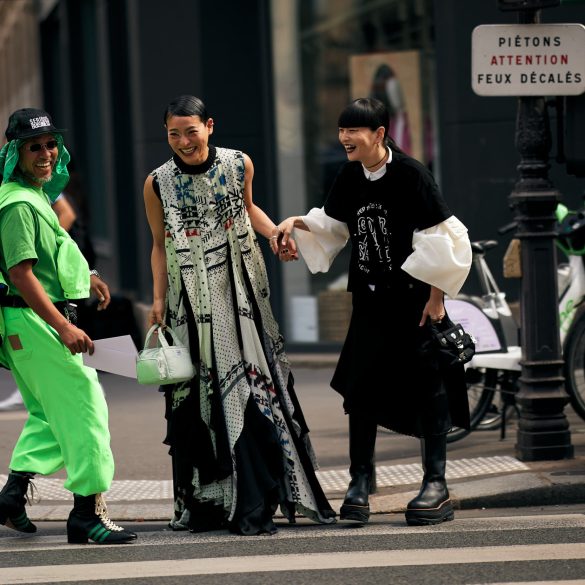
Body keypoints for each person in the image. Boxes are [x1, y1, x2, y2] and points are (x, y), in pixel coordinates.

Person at [143, 95, 335, 535]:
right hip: (190, 302)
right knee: (201, 398)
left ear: (209, 125)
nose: (184, 141)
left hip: (243, 293)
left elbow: (249, 210)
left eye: (191, 131)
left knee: (251, 388)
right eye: (174, 134)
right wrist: (158, 299)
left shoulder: (238, 164)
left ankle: (255, 498)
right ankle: (209, 503)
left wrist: (275, 234)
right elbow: (159, 243)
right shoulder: (157, 183)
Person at [277, 97, 472, 526]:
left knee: (427, 387)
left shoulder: (411, 174)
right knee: (361, 390)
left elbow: (444, 237)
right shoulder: (350, 175)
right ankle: (360, 482)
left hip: (414, 302)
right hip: (368, 300)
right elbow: (334, 225)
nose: (345, 137)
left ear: (380, 134)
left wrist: (436, 300)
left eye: (354, 130)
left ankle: (435, 485)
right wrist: (295, 222)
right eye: (342, 130)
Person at [0, 107, 136, 544]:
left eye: (49, 145)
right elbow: (20, 273)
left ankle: (12, 496)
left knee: (47, 415)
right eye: (33, 147)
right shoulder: (18, 203)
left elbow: (51, 252)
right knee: (86, 412)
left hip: (28, 321)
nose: (45, 154)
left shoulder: (31, 196)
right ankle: (87, 515)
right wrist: (62, 325)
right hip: (37, 321)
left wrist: (87, 275)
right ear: (15, 154)